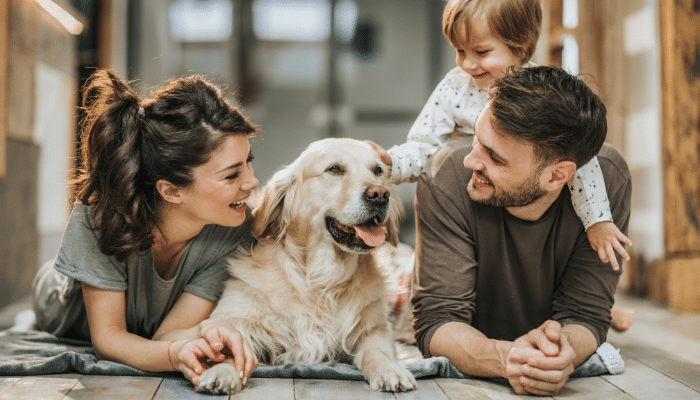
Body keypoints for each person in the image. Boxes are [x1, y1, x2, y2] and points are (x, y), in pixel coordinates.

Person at [366, 0, 634, 329]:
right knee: (399, 275)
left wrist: (598, 221)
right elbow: (423, 145)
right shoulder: (455, 88)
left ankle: (606, 310)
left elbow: (582, 160)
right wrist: (391, 163)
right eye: (459, 51)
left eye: (480, 52)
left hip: (519, 208)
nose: (467, 63)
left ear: (520, 46)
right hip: (476, 209)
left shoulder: (546, 95)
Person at [411, 65, 631, 396]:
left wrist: (562, 353)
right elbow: (437, 320)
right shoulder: (447, 176)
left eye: (495, 158)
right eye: (476, 139)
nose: (471, 161)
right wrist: (508, 358)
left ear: (558, 176)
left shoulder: (609, 181)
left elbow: (585, 314)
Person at [32, 70, 259, 387]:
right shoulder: (97, 220)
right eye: (232, 175)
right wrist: (174, 354)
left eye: (249, 161)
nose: (252, 181)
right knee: (46, 289)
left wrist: (204, 333)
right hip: (61, 302)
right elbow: (108, 340)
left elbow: (166, 336)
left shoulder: (235, 230)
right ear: (172, 191)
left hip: (148, 319)